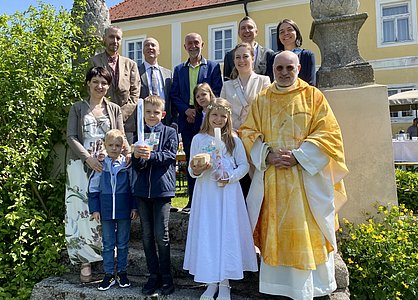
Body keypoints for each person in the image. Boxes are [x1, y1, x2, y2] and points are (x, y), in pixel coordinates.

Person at [240, 51, 348, 299]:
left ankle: (310, 287)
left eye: (289, 67)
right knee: (274, 230)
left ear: (298, 67)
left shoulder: (313, 96)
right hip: (274, 179)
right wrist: (266, 155)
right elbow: (247, 132)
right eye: (279, 68)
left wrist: (299, 156)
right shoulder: (262, 99)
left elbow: (329, 134)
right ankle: (277, 287)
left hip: (305, 180)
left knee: (305, 231)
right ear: (272, 70)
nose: (284, 73)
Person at [183, 98, 258, 300]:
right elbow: (191, 169)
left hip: (227, 194)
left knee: (226, 232)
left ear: (228, 118)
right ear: (208, 115)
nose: (218, 119)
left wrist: (230, 176)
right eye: (214, 115)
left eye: (223, 116)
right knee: (209, 232)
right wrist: (198, 169)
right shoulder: (199, 139)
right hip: (207, 193)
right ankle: (211, 282)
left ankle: (225, 283)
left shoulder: (234, 139)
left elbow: (243, 166)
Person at [65, 66, 126, 283]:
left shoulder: (115, 109)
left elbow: (121, 136)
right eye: (95, 81)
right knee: (82, 212)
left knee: (109, 206)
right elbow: (71, 136)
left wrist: (126, 156)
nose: (100, 86)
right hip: (81, 167)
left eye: (104, 82)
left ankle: (109, 258)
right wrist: (87, 158)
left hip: (109, 166)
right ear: (88, 83)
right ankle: (85, 262)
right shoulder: (77, 108)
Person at [171, 32, 223, 212]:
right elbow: (174, 95)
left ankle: (211, 198)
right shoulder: (178, 70)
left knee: (212, 156)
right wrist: (187, 109)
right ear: (185, 47)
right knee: (192, 159)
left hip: (207, 119)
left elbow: (216, 90)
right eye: (189, 44)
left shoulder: (213, 67)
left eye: (196, 43)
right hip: (187, 120)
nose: (193, 46)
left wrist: (200, 110)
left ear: (203, 45)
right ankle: (192, 200)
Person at [132, 95, 178, 296]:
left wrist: (152, 155)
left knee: (162, 234)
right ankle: (153, 275)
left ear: (163, 114)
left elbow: (170, 155)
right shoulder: (139, 135)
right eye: (148, 112)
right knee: (147, 235)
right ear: (143, 115)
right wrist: (137, 157)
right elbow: (138, 167)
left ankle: (167, 277)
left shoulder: (169, 132)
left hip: (161, 191)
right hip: (142, 191)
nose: (152, 115)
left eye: (156, 112)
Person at [88, 129, 138, 291]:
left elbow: (133, 187)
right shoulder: (100, 166)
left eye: (117, 145)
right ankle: (109, 274)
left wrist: (134, 206)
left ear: (123, 146)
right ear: (105, 145)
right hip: (106, 210)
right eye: (110, 145)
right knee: (108, 244)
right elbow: (93, 188)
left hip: (124, 210)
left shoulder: (127, 165)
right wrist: (95, 209)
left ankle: (122, 273)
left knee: (122, 244)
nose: (114, 148)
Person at [221, 42, 271, 197]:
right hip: (235, 139)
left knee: (258, 183)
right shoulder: (227, 85)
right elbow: (223, 113)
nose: (241, 60)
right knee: (240, 185)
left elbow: (267, 110)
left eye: (245, 56)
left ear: (253, 58)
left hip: (256, 139)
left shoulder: (264, 81)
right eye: (237, 57)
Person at [89, 25, 141, 141]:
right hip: (101, 120)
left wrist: (119, 115)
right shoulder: (94, 61)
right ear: (104, 39)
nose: (115, 41)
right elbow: (90, 89)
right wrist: (106, 114)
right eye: (111, 37)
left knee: (125, 156)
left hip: (126, 123)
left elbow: (135, 94)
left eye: (118, 38)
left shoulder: (130, 64)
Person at [265, 19, 316, 86]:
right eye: (282, 32)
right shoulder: (273, 58)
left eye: (289, 30)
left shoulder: (307, 55)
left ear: (296, 33)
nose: (286, 33)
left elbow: (311, 82)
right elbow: (270, 83)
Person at [138, 37, 176, 126]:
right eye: (147, 45)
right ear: (143, 51)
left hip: (164, 121)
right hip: (144, 121)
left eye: (153, 45)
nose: (150, 47)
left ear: (158, 51)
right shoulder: (136, 71)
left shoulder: (168, 73)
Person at [223, 16, 275, 81]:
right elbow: (227, 81)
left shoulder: (268, 54)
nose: (247, 31)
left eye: (250, 27)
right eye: (243, 28)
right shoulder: (229, 56)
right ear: (239, 33)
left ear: (256, 32)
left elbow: (272, 81)